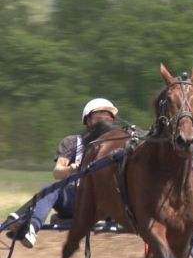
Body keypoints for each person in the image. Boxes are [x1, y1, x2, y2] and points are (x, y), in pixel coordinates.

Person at [5, 98, 119, 248]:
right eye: (99, 119)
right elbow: (58, 172)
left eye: (108, 119)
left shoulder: (120, 145)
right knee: (51, 188)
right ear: (87, 121)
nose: (104, 123)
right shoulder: (73, 142)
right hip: (76, 199)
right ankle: (31, 228)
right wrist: (72, 169)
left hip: (106, 203)